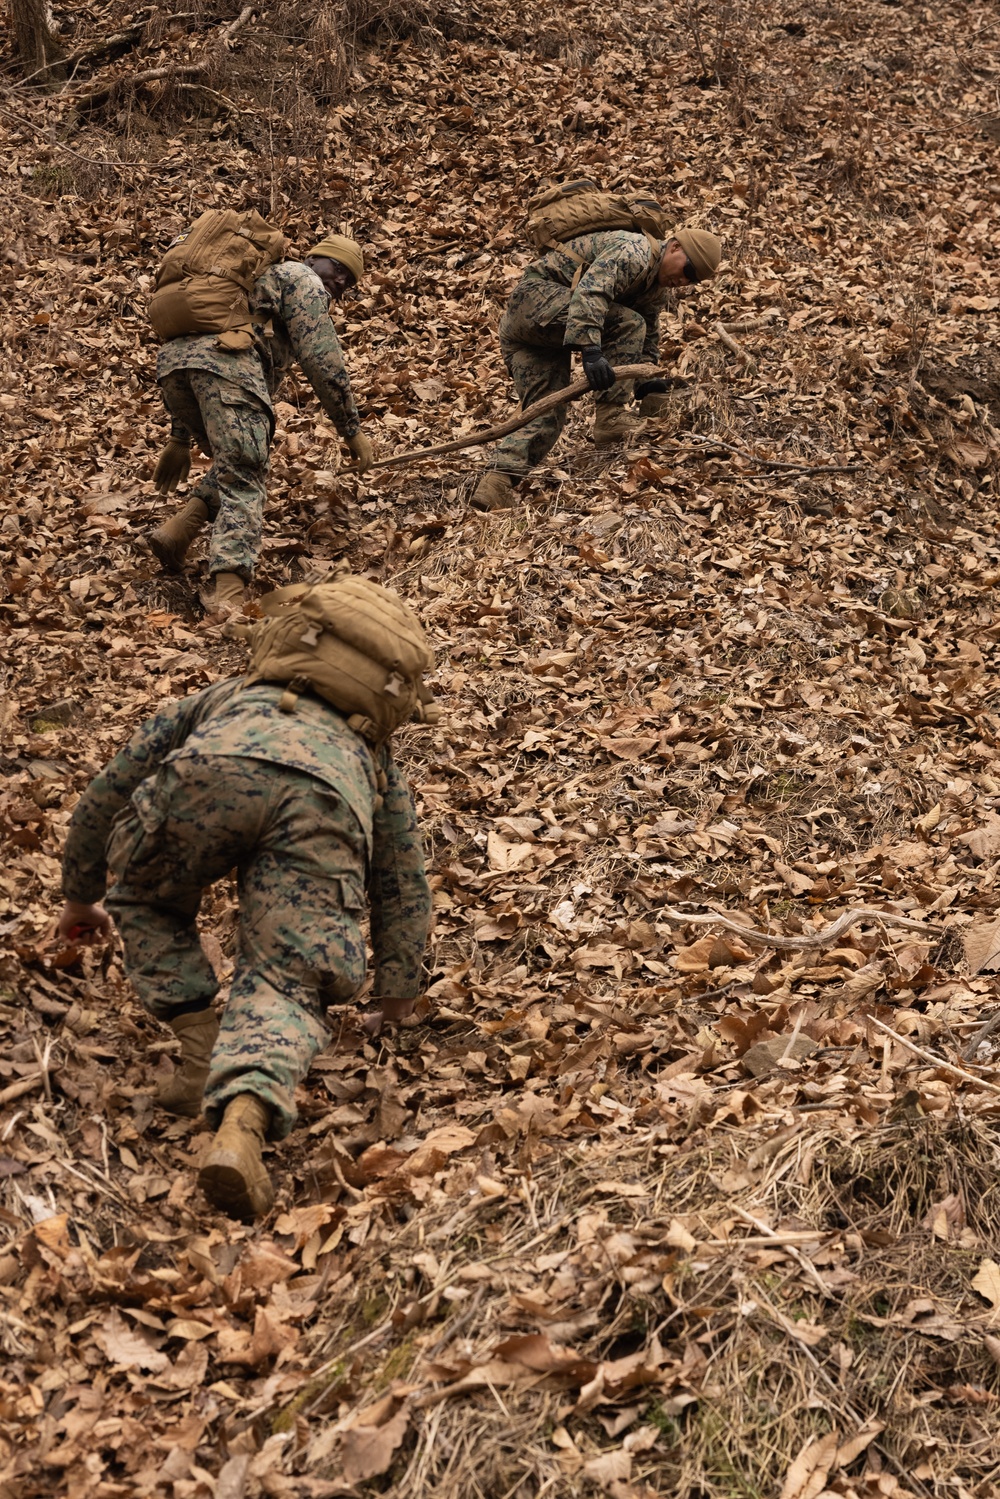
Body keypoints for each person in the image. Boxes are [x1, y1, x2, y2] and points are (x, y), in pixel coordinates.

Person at [54, 578, 434, 1220]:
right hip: (322, 803)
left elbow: (111, 788)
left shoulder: (224, 698)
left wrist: (81, 895)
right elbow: (401, 876)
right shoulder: (370, 754)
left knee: (147, 898)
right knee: (287, 978)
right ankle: (243, 1122)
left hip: (208, 770)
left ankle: (200, 1044)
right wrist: (396, 993)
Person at [147, 235, 374, 617]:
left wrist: (179, 437)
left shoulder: (251, 283)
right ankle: (229, 591)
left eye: (348, 281)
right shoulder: (302, 278)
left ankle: (177, 532)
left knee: (238, 457)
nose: (340, 283)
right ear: (315, 260)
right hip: (227, 370)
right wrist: (350, 428)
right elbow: (322, 358)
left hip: (173, 368)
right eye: (338, 270)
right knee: (245, 474)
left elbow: (199, 348)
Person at [472, 227, 722, 511]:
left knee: (548, 411)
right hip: (535, 301)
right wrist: (590, 350)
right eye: (688, 270)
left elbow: (648, 337)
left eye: (693, 279)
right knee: (628, 322)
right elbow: (592, 292)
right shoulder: (633, 251)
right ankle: (610, 416)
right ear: (675, 247)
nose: (684, 281)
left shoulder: (656, 291)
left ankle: (496, 483)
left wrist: (643, 380)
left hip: (534, 333)